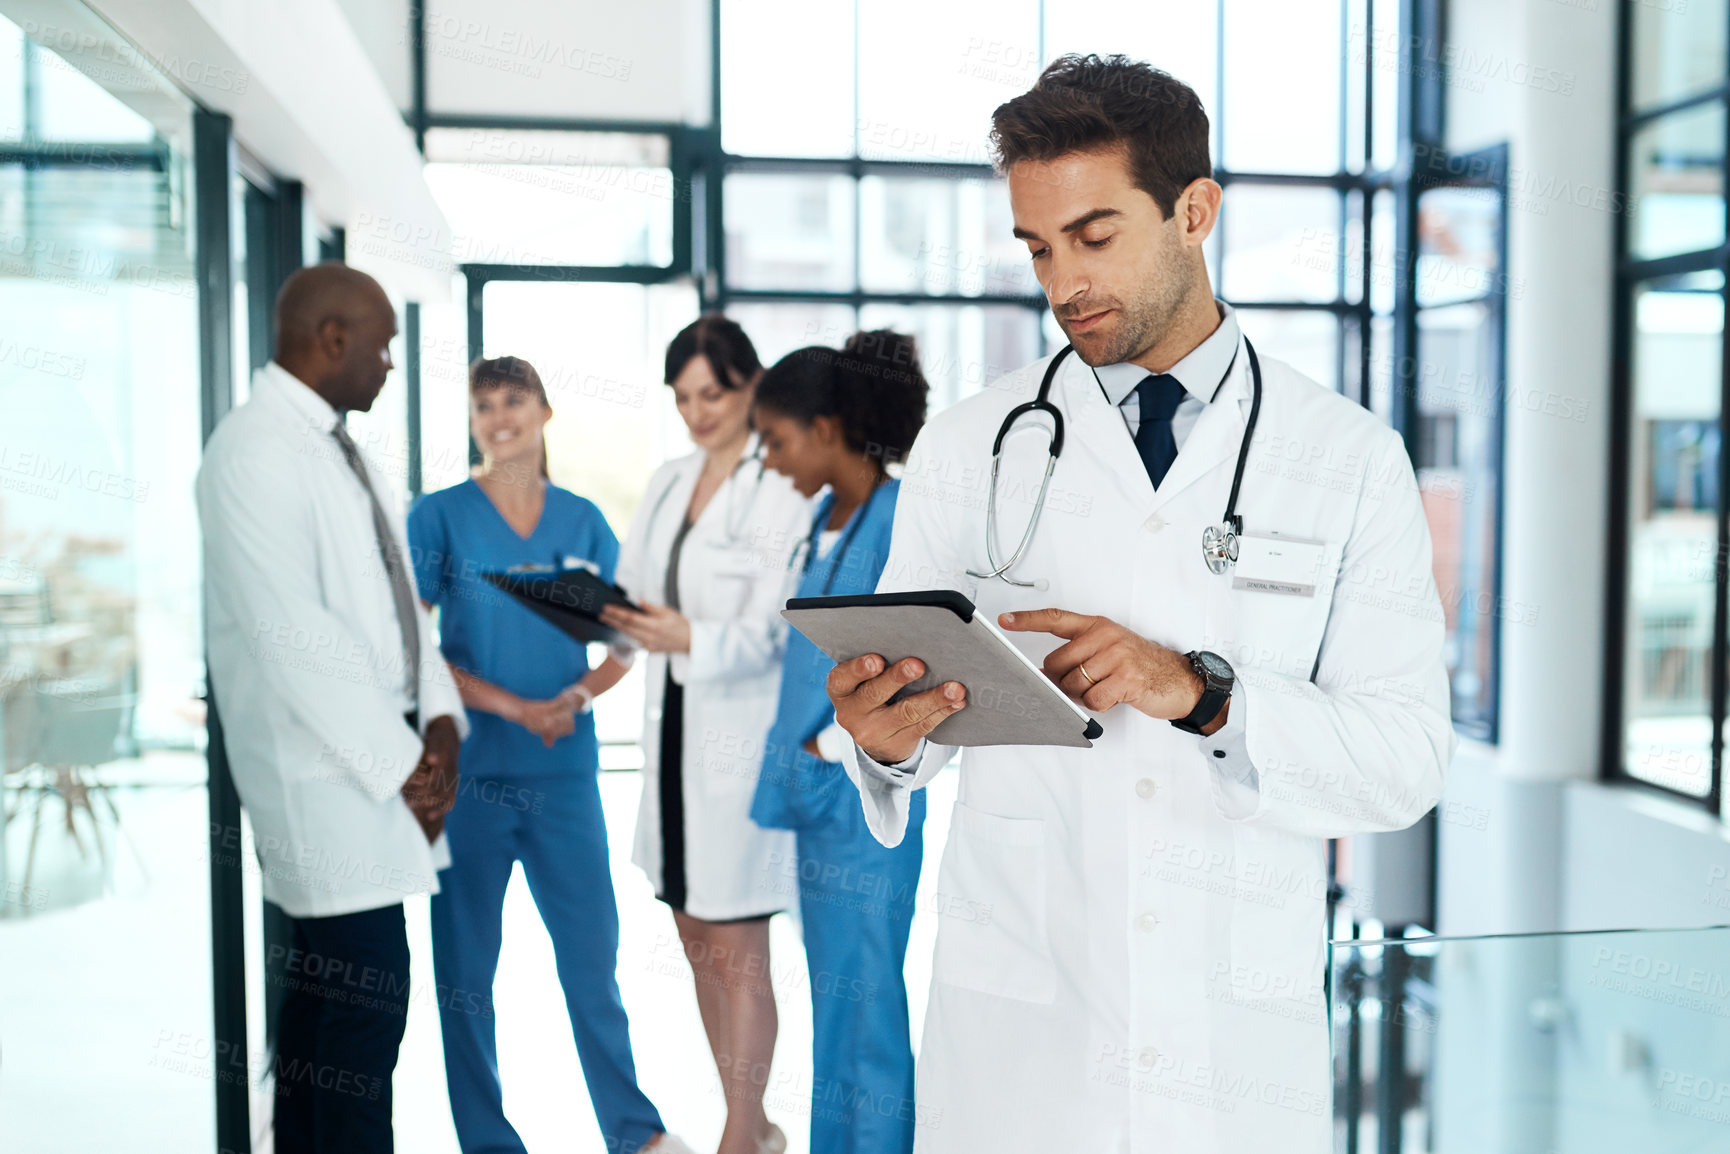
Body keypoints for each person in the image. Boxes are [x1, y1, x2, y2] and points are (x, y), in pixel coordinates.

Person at [824, 55, 1456, 1153]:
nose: (1060, 279)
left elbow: (1402, 760)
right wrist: (880, 741)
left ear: (1193, 210)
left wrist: (1200, 693)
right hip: (1023, 1048)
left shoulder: (1346, 457)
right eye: (1036, 246)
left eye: (1093, 235)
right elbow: (916, 719)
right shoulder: (969, 445)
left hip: (1230, 1053)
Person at [196, 262, 469, 1153]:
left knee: (333, 1025)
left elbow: (398, 606)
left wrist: (438, 720)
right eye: (383, 345)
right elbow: (293, 637)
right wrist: (407, 773)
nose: (391, 363)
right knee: (358, 1021)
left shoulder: (339, 446)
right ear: (332, 339)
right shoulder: (251, 450)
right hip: (327, 782)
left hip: (377, 769)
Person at [406, 356, 694, 1154]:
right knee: (465, 976)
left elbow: (625, 641)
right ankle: (487, 1142)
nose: (500, 417)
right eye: (484, 404)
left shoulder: (581, 520)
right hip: (471, 776)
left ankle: (634, 1132)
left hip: (564, 776)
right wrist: (512, 706)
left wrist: (572, 700)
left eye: (514, 401)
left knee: (591, 962)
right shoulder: (440, 517)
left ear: (543, 413)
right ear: (472, 419)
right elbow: (413, 645)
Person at [600, 314, 811, 1154]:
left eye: (712, 394)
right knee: (693, 934)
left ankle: (738, 1135)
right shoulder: (667, 479)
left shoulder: (780, 486)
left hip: (737, 743)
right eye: (683, 398)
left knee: (737, 944)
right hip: (675, 738)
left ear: (751, 384)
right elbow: (629, 591)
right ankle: (750, 1119)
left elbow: (777, 629)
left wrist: (691, 636)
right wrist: (591, 613)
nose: (697, 412)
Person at [748, 332, 930, 1154]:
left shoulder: (898, 519)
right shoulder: (827, 518)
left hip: (866, 803)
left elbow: (916, 661)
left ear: (827, 429)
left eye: (777, 440)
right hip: (822, 803)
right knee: (837, 1005)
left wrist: (827, 747)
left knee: (869, 1015)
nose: (770, 459)